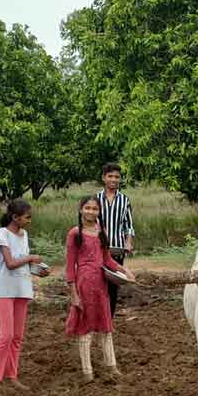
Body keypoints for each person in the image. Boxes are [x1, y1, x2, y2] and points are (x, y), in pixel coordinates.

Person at [66, 196, 136, 382]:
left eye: (95, 209)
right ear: (80, 210)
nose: (91, 212)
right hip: (84, 284)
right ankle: (87, 371)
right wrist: (74, 293)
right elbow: (69, 266)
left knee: (106, 326)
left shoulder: (101, 231)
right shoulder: (75, 234)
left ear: (99, 211)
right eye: (87, 208)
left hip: (100, 284)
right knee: (86, 327)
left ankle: (111, 366)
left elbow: (107, 260)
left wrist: (124, 270)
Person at [0, 199, 49, 389]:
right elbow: (11, 263)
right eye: (27, 217)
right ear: (15, 217)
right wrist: (30, 258)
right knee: (6, 334)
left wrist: (37, 269)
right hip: (6, 287)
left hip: (22, 287)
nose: (29, 220)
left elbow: (22, 264)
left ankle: (11, 375)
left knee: (17, 336)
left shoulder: (24, 235)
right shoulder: (3, 233)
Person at [95, 163, 135, 316]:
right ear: (104, 178)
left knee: (113, 285)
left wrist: (128, 242)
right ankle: (97, 316)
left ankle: (108, 319)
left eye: (117, 177)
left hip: (117, 249)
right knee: (98, 283)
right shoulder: (96, 199)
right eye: (110, 176)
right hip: (98, 249)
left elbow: (129, 225)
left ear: (120, 179)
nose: (113, 179)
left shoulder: (124, 200)